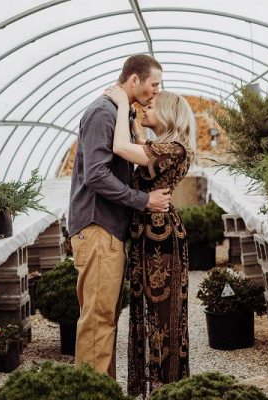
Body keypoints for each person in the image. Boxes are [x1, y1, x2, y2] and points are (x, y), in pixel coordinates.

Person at [68, 54, 171, 380]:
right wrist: (144, 201)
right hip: (97, 227)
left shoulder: (119, 112)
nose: (156, 92)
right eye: (153, 84)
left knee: (104, 320)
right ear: (134, 80)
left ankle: (103, 388)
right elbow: (96, 176)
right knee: (98, 321)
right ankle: (92, 391)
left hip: (107, 230)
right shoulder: (102, 114)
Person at [103, 85, 195, 397]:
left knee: (164, 317)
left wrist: (119, 105)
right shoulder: (159, 146)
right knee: (149, 313)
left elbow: (119, 147)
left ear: (168, 115)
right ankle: (156, 387)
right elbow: (134, 145)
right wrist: (129, 115)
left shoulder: (174, 150)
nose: (146, 109)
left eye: (152, 107)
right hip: (148, 236)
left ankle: (168, 389)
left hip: (161, 239)